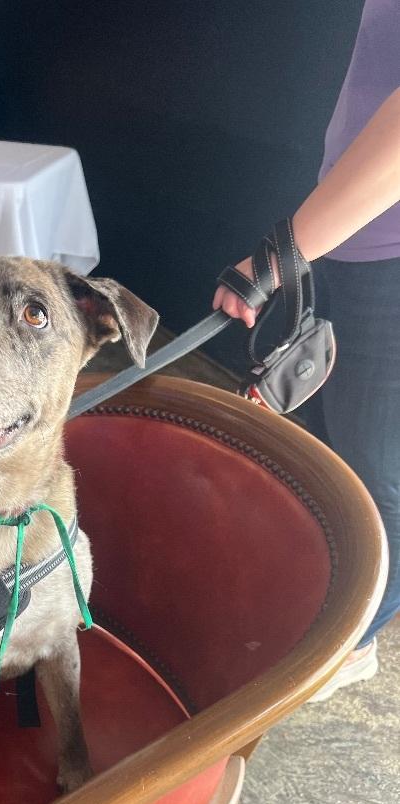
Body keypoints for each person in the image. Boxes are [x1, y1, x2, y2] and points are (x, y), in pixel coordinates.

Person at [213, 0, 400, 701]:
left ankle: (338, 644)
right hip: (355, 243)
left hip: (391, 259)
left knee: (380, 483)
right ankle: (332, 622)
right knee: (328, 462)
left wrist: (282, 255)